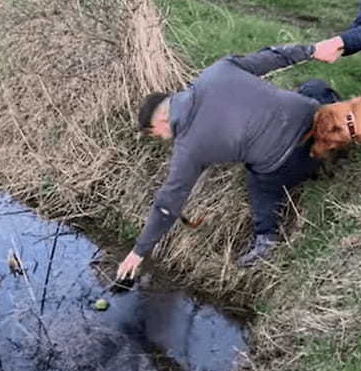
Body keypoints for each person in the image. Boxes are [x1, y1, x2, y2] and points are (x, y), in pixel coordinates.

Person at [116, 44, 340, 280]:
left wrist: (137, 252)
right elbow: (274, 57)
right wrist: (312, 50)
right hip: (314, 118)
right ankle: (341, 124)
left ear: (161, 119)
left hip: (292, 162)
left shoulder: (188, 149)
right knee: (313, 87)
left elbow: (167, 204)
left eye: (154, 133)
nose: (159, 139)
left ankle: (266, 239)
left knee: (258, 177)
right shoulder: (217, 71)